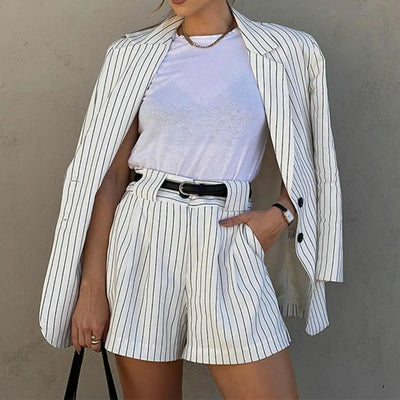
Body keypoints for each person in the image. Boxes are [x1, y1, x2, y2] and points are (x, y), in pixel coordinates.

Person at [39, 0, 343, 398]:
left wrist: (281, 213)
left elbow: (313, 154)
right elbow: (110, 178)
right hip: (143, 235)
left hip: (228, 235)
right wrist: (92, 286)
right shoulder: (132, 54)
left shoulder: (286, 50)